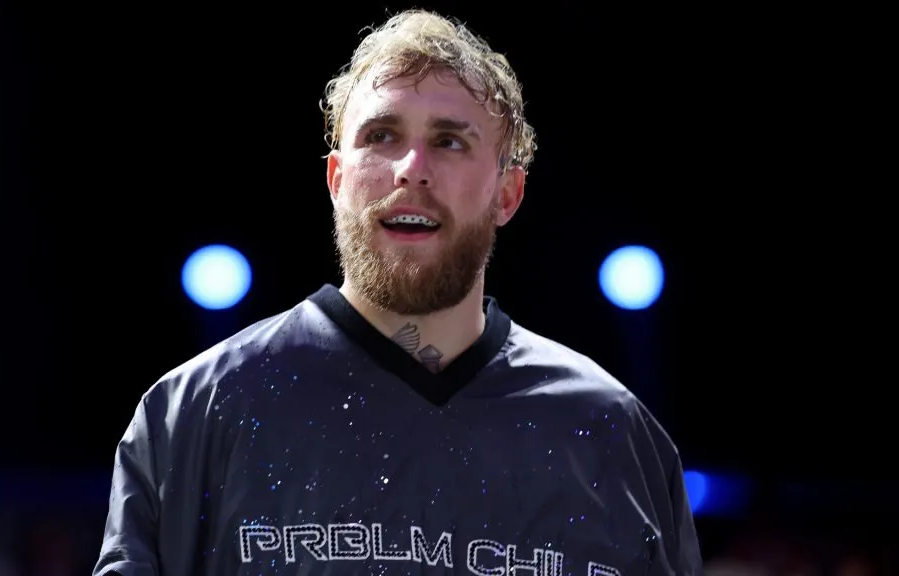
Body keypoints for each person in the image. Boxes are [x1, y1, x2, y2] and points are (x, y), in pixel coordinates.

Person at [93, 8, 702, 575]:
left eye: (449, 140)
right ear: (336, 180)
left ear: (507, 194)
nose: (412, 166)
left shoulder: (615, 436)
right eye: (381, 135)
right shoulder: (195, 412)